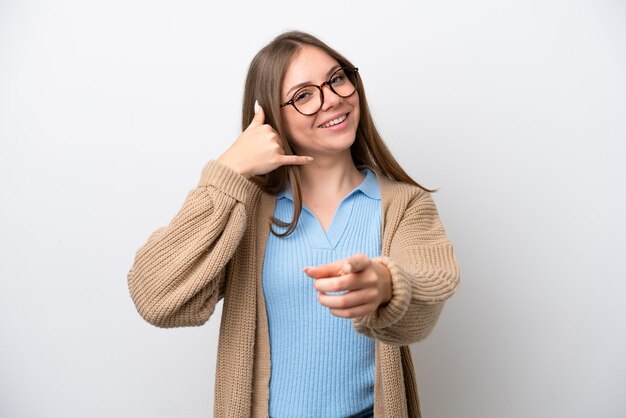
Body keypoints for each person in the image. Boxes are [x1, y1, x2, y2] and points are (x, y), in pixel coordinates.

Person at [128, 30, 460, 418]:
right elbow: (156, 298)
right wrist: (228, 170)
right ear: (269, 118)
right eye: (303, 95)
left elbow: (430, 290)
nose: (333, 98)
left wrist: (386, 284)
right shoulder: (246, 212)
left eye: (337, 78)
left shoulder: (404, 206)